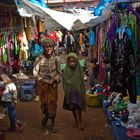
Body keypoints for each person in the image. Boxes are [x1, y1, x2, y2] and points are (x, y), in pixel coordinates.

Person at [33, 38, 62, 133]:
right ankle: (46, 117)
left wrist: (55, 79)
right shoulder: (39, 59)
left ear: (53, 47)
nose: (49, 48)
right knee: (44, 105)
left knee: (53, 104)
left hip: (53, 86)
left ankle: (52, 124)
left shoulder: (56, 59)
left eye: (51, 46)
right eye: (47, 46)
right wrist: (40, 79)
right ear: (43, 47)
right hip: (42, 86)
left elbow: (59, 73)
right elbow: (35, 72)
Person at [62, 53, 86, 130]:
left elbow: (81, 82)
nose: (72, 63)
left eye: (73, 61)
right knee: (72, 108)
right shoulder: (66, 70)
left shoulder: (79, 70)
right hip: (70, 92)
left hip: (78, 91)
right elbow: (64, 81)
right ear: (68, 62)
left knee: (79, 107)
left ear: (76, 61)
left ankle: (80, 121)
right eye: (70, 61)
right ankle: (75, 120)